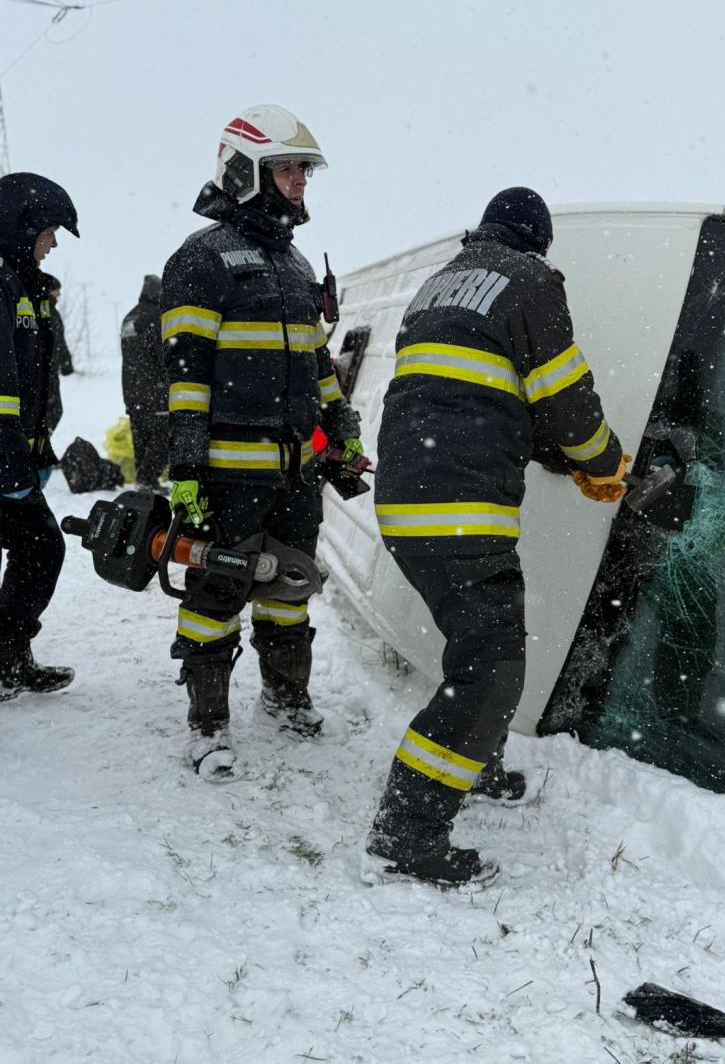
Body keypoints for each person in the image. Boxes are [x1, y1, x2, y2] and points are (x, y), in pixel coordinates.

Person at [366, 188, 629, 886]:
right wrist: (603, 462)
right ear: (537, 241)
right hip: (459, 504)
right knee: (490, 669)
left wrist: (556, 452)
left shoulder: (438, 287)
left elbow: (480, 395)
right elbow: (565, 397)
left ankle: (475, 764)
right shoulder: (531, 280)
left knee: (479, 642)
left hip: (406, 496)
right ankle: (409, 828)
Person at [161, 104, 363, 780]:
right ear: (244, 172)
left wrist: (341, 428)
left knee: (288, 590)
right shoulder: (200, 259)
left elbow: (314, 365)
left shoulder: (294, 262)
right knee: (217, 595)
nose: (300, 182)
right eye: (286, 169)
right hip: (227, 473)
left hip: (295, 474)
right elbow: (185, 376)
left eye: (302, 169)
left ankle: (284, 699)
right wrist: (186, 467)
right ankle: (207, 726)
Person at [0, 173, 79, 701]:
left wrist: (35, 446)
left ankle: (8, 658)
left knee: (38, 549)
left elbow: (30, 385)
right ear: (21, 226)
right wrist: (10, 464)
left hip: (11, 456)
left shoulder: (18, 282)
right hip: (1, 461)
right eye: (48, 231)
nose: (52, 244)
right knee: (40, 547)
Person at [120, 274, 167, 490]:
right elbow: (162, 353)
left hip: (131, 388)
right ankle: (148, 479)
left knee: (141, 435)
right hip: (154, 388)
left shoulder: (130, 317)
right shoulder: (155, 317)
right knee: (163, 434)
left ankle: (144, 479)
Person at [42, 274, 73, 434]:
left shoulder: (53, 313)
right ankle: (40, 445)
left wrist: (66, 361)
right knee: (50, 411)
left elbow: (60, 341)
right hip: (44, 372)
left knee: (54, 411)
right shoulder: (42, 311)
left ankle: (42, 443)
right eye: (56, 290)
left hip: (51, 371)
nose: (59, 294)